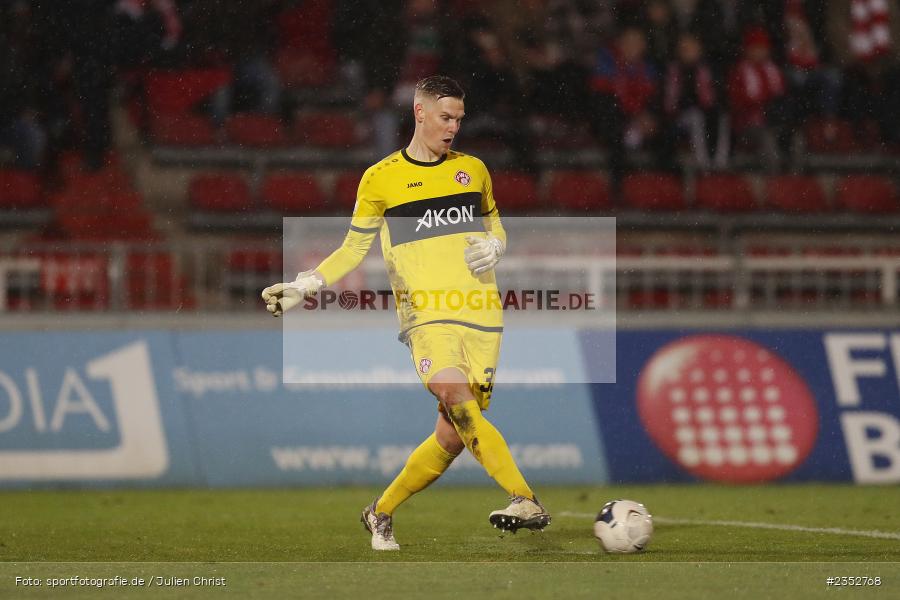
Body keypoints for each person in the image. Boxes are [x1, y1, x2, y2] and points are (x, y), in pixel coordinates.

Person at [261, 76, 550, 551]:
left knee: (453, 436)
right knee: (455, 395)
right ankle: (524, 497)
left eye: (459, 118)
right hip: (426, 317)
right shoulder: (381, 178)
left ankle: (381, 511)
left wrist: (497, 244)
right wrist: (306, 284)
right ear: (419, 112)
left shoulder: (473, 169)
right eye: (445, 117)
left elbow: (495, 221)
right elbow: (353, 249)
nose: (454, 127)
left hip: (482, 314)